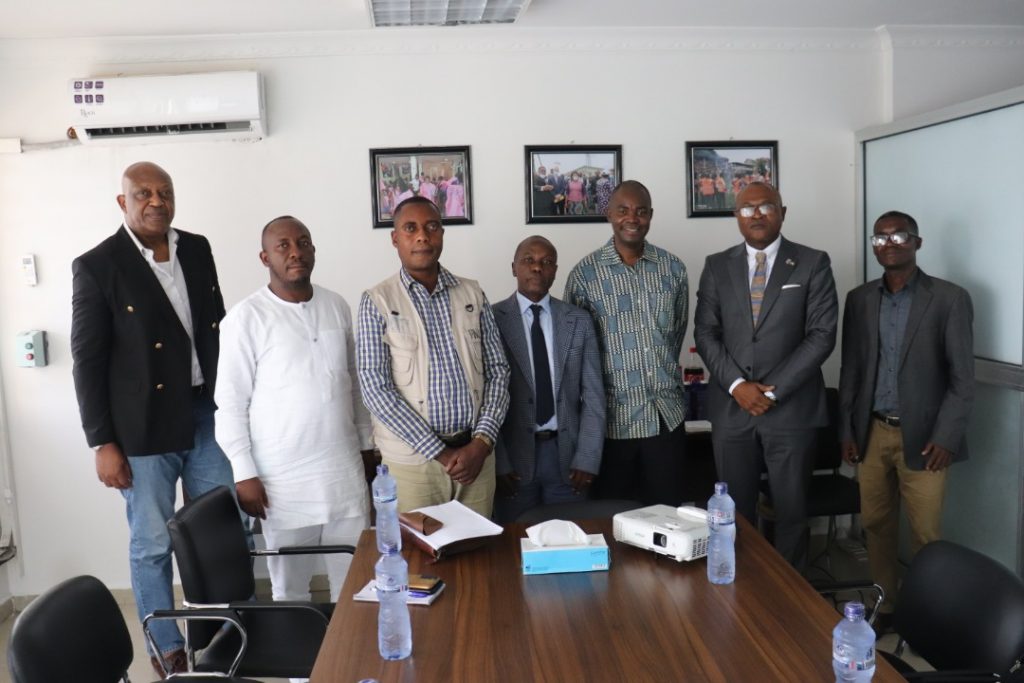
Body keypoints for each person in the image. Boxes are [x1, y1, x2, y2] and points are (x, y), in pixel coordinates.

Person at [71, 161, 238, 678]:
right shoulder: (98, 265)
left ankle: (225, 636)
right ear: (123, 202)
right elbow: (87, 360)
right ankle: (166, 649)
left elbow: (216, 328)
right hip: (141, 428)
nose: (156, 201)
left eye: (164, 192)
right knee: (152, 544)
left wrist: (238, 405)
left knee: (222, 530)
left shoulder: (198, 248)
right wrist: (102, 442)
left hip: (207, 413)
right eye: (143, 193)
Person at [215, 216, 374, 604]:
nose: (295, 252)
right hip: (281, 484)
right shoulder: (245, 318)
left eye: (303, 243)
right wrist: (244, 472)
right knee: (290, 590)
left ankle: (346, 648)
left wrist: (366, 445)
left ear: (314, 250)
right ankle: (299, 650)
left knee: (353, 583)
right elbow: (230, 403)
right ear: (265, 257)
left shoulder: (336, 305)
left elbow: (354, 385)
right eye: (283, 246)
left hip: (343, 474)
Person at [839, 210, 974, 629]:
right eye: (880, 238)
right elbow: (851, 370)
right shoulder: (859, 299)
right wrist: (847, 430)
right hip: (872, 432)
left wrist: (947, 436)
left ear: (917, 242)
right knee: (876, 525)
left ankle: (927, 617)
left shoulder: (949, 298)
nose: (889, 243)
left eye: (898, 235)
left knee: (926, 535)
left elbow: (962, 378)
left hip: (927, 439)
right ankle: (886, 606)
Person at [694, 181, 838, 569]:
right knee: (732, 512)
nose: (756, 215)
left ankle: (790, 594)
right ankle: (739, 589)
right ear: (736, 216)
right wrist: (738, 386)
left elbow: (822, 335)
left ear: (782, 213)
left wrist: (771, 393)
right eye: (747, 208)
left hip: (791, 410)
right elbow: (705, 333)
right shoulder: (716, 265)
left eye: (766, 206)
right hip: (732, 409)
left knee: (791, 514)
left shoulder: (812, 262)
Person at [356, 196, 510, 516]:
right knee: (419, 549)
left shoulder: (472, 293)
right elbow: (375, 389)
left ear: (441, 234)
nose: (422, 236)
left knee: (479, 546)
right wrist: (440, 453)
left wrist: (482, 443)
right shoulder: (378, 301)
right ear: (395, 238)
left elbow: (498, 371)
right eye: (410, 228)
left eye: (431, 227)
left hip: (476, 460)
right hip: (413, 465)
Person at [564, 180, 688, 505]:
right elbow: (574, 355)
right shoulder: (584, 276)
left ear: (651, 216)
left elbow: (676, 334)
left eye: (641, 211)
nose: (632, 218)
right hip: (612, 426)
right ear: (609, 214)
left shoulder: (673, 269)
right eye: (623, 210)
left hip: (666, 418)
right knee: (614, 521)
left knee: (668, 519)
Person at [492, 236, 605, 522]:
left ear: (555, 270)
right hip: (513, 462)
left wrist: (588, 457)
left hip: (567, 459)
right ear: (514, 267)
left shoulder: (578, 320)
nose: (537, 267)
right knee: (515, 541)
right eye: (528, 260)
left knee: (572, 539)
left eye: (546, 262)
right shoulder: (491, 319)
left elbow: (594, 396)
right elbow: (483, 399)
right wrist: (498, 462)